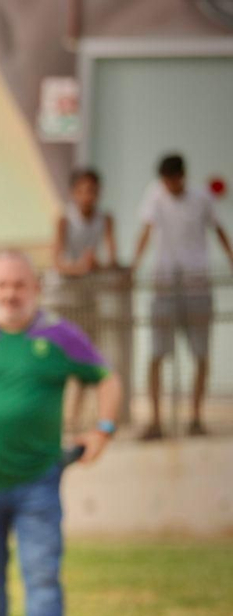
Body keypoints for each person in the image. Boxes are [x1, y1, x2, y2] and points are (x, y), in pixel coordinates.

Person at [0, 252, 120, 616]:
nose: (11, 294)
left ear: (36, 288)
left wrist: (104, 430)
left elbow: (106, 379)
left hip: (38, 481)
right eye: (2, 286)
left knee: (42, 575)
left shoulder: (60, 336)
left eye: (20, 285)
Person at [133, 154, 233, 438]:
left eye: (173, 179)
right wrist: (134, 267)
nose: (170, 185)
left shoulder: (202, 198)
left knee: (201, 355)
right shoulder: (154, 196)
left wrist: (230, 257)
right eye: (165, 181)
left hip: (197, 287)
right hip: (164, 287)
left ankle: (196, 418)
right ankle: (155, 421)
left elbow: (219, 229)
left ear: (182, 176)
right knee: (157, 354)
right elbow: (146, 231)